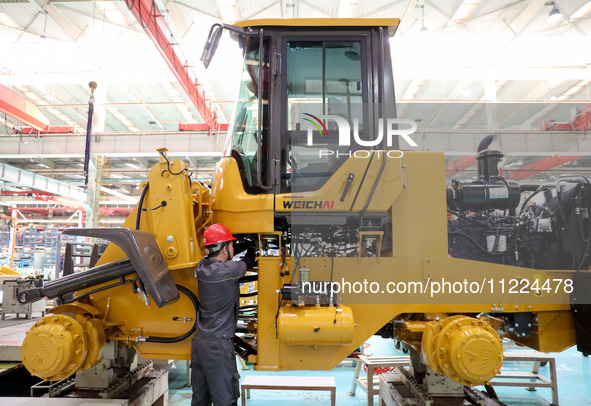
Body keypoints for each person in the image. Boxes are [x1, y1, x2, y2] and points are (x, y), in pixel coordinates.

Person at [191, 223, 256, 406]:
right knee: (225, 399)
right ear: (225, 248)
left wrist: (240, 244)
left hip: (200, 343)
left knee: (200, 400)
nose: (233, 248)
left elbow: (229, 253)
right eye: (231, 245)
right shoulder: (229, 270)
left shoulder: (202, 267)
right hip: (218, 347)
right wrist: (254, 246)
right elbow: (249, 261)